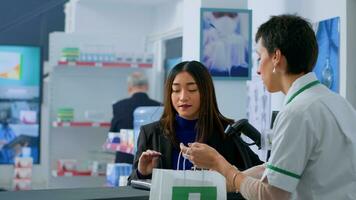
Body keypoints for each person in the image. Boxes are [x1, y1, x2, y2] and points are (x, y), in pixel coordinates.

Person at [180, 14, 356, 199]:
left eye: (259, 57)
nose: (257, 69)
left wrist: (221, 165)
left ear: (276, 57)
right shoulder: (338, 103)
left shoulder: (297, 113)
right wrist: (227, 180)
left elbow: (270, 195)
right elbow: (274, 169)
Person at [129, 61, 262, 182]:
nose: (183, 97)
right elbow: (131, 185)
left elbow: (261, 173)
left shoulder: (226, 132)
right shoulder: (151, 133)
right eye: (176, 90)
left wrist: (224, 170)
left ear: (205, 92)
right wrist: (142, 173)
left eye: (192, 89)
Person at [109, 71, 161, 163]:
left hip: (124, 160)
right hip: (150, 160)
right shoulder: (159, 107)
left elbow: (113, 138)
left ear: (129, 88)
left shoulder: (118, 106)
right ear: (147, 87)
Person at [202, 12, 249, 77]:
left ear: (237, 18)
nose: (226, 19)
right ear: (209, 16)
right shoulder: (204, 37)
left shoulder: (242, 42)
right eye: (219, 15)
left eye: (231, 15)